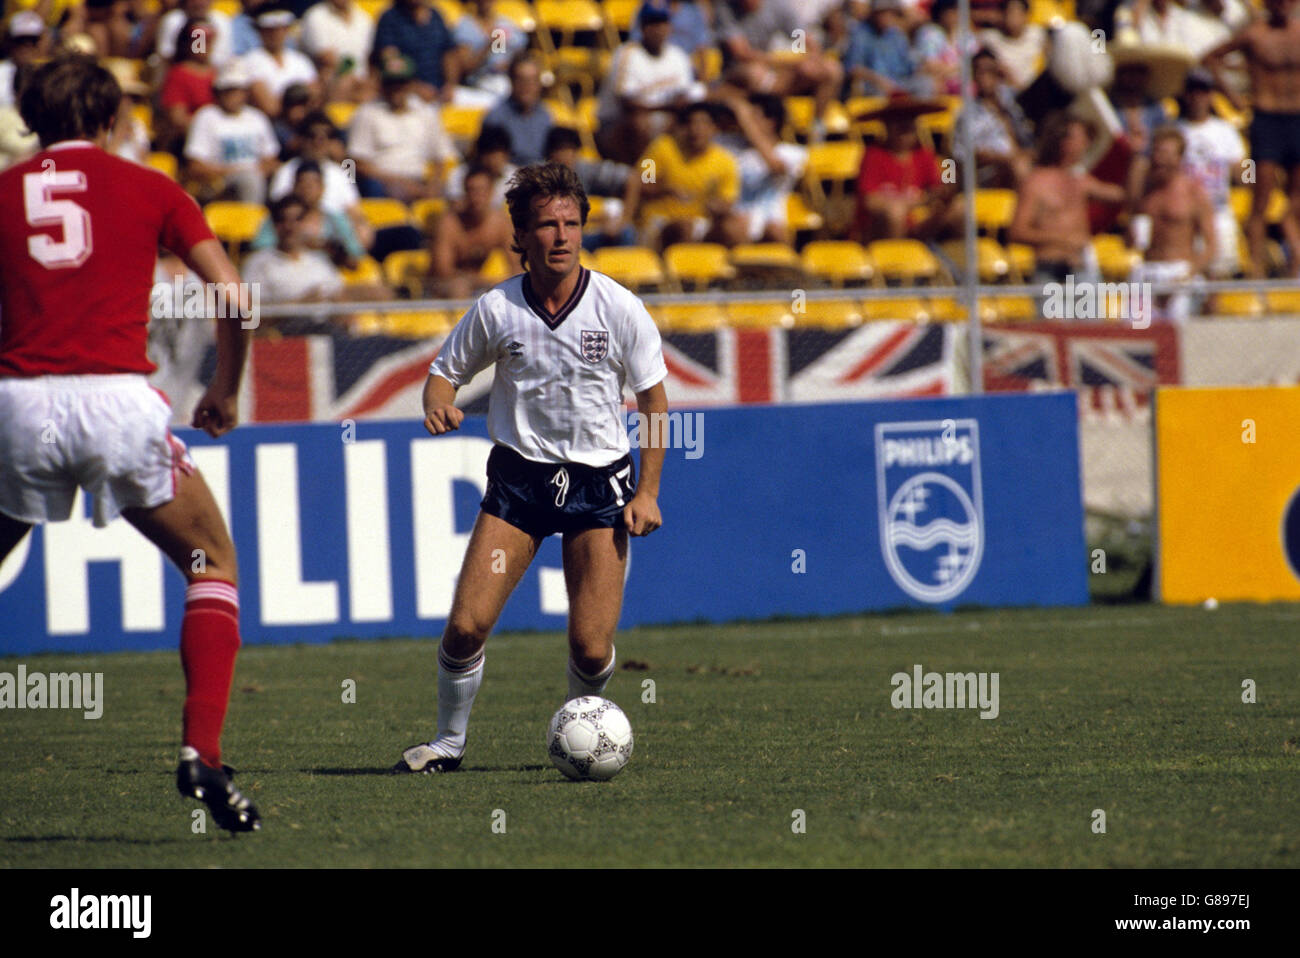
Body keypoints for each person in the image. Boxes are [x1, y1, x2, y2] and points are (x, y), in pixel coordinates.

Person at [0, 55, 259, 832]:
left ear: (29, 119)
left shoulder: (4, 191)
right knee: (211, 562)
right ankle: (201, 754)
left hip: (17, 404)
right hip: (116, 403)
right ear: (112, 120)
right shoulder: (152, 188)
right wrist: (225, 390)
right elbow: (235, 299)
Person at [393, 161, 667, 774]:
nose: (561, 236)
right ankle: (448, 743)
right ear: (520, 235)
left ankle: (580, 727)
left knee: (590, 647)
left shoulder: (620, 307)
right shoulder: (497, 308)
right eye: (546, 224)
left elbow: (653, 402)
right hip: (520, 484)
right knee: (466, 627)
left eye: (571, 223)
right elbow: (443, 374)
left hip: (600, 488)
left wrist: (647, 491)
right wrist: (437, 404)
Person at [1204, 0, 1300, 277]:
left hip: (1296, 118)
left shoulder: (1297, 33)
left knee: (1296, 199)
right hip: (1266, 118)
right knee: (1261, 198)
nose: (1282, 5)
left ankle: (1294, 261)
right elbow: (1210, 58)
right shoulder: (1255, 35)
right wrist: (1231, 96)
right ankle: (1256, 268)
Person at [1009, 112, 1127, 289]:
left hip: (1082, 269)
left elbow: (1124, 196)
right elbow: (1018, 231)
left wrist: (1137, 156)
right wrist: (1060, 239)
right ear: (1063, 141)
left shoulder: (1081, 181)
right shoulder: (1036, 183)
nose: (1086, 144)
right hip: (1050, 271)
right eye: (1081, 138)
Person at [626, 100, 745, 249]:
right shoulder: (661, 147)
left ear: (715, 129)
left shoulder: (725, 161)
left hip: (700, 223)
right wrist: (666, 190)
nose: (696, 129)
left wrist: (716, 206)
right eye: (691, 123)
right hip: (659, 221)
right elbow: (641, 183)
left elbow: (728, 200)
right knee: (685, 228)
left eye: (703, 124)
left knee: (734, 229)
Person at [595, 0, 699, 165]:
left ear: (669, 27)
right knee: (640, 123)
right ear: (642, 27)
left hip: (662, 120)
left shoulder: (678, 56)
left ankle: (671, 175)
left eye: (662, 23)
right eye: (652, 23)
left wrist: (671, 111)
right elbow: (628, 104)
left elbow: (684, 97)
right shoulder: (627, 54)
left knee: (693, 123)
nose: (658, 29)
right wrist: (667, 108)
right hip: (614, 126)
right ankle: (644, 176)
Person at [1129, 125, 1215, 322]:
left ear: (1179, 158)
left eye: (1166, 153)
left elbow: (1211, 245)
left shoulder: (1194, 193)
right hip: (1147, 269)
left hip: (1180, 271)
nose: (1159, 158)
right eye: (1157, 152)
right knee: (1135, 331)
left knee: (1176, 330)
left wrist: (1185, 277)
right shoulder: (1146, 190)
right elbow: (1130, 224)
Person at [852, 95, 961, 242]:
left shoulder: (924, 154)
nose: (905, 128)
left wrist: (947, 186)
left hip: (918, 224)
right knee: (895, 213)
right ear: (888, 125)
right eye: (899, 121)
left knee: (960, 208)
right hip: (879, 229)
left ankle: (956, 254)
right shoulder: (873, 155)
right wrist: (908, 204)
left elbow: (937, 189)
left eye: (910, 122)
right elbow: (870, 202)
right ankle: (896, 256)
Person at [1177, 67, 1245, 277]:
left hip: (1219, 212)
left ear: (1211, 95)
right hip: (1184, 214)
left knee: (1220, 275)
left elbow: (1244, 173)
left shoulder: (1226, 131)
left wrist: (1252, 157)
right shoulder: (1174, 130)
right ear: (1185, 94)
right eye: (1193, 91)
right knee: (1187, 275)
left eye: (1203, 91)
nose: (1198, 97)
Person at [183, 59, 280, 203]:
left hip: (255, 176)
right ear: (218, 91)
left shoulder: (257, 117)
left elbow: (271, 158)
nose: (232, 95)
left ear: (245, 92)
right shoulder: (206, 116)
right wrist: (236, 170)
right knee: (249, 180)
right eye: (227, 90)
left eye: (236, 90)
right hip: (219, 181)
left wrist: (257, 170)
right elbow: (195, 165)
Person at [426, 164, 519, 298]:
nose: (476, 197)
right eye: (471, 190)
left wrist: (492, 282)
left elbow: (516, 267)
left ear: (491, 192)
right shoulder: (450, 223)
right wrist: (484, 281)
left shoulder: (500, 223)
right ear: (465, 192)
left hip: (477, 283)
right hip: (441, 287)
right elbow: (442, 271)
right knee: (459, 287)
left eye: (482, 190)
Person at [957, 46, 1034, 187]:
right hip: (989, 173)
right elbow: (965, 154)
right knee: (1019, 166)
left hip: (1019, 161)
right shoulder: (967, 114)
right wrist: (1006, 159)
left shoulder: (1011, 105)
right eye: (980, 71)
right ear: (974, 76)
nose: (986, 76)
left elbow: (1027, 136)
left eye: (991, 70)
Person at [482, 53, 553, 166]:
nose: (527, 86)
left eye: (532, 80)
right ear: (511, 81)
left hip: (540, 170)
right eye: (521, 79)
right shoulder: (495, 118)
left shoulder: (546, 114)